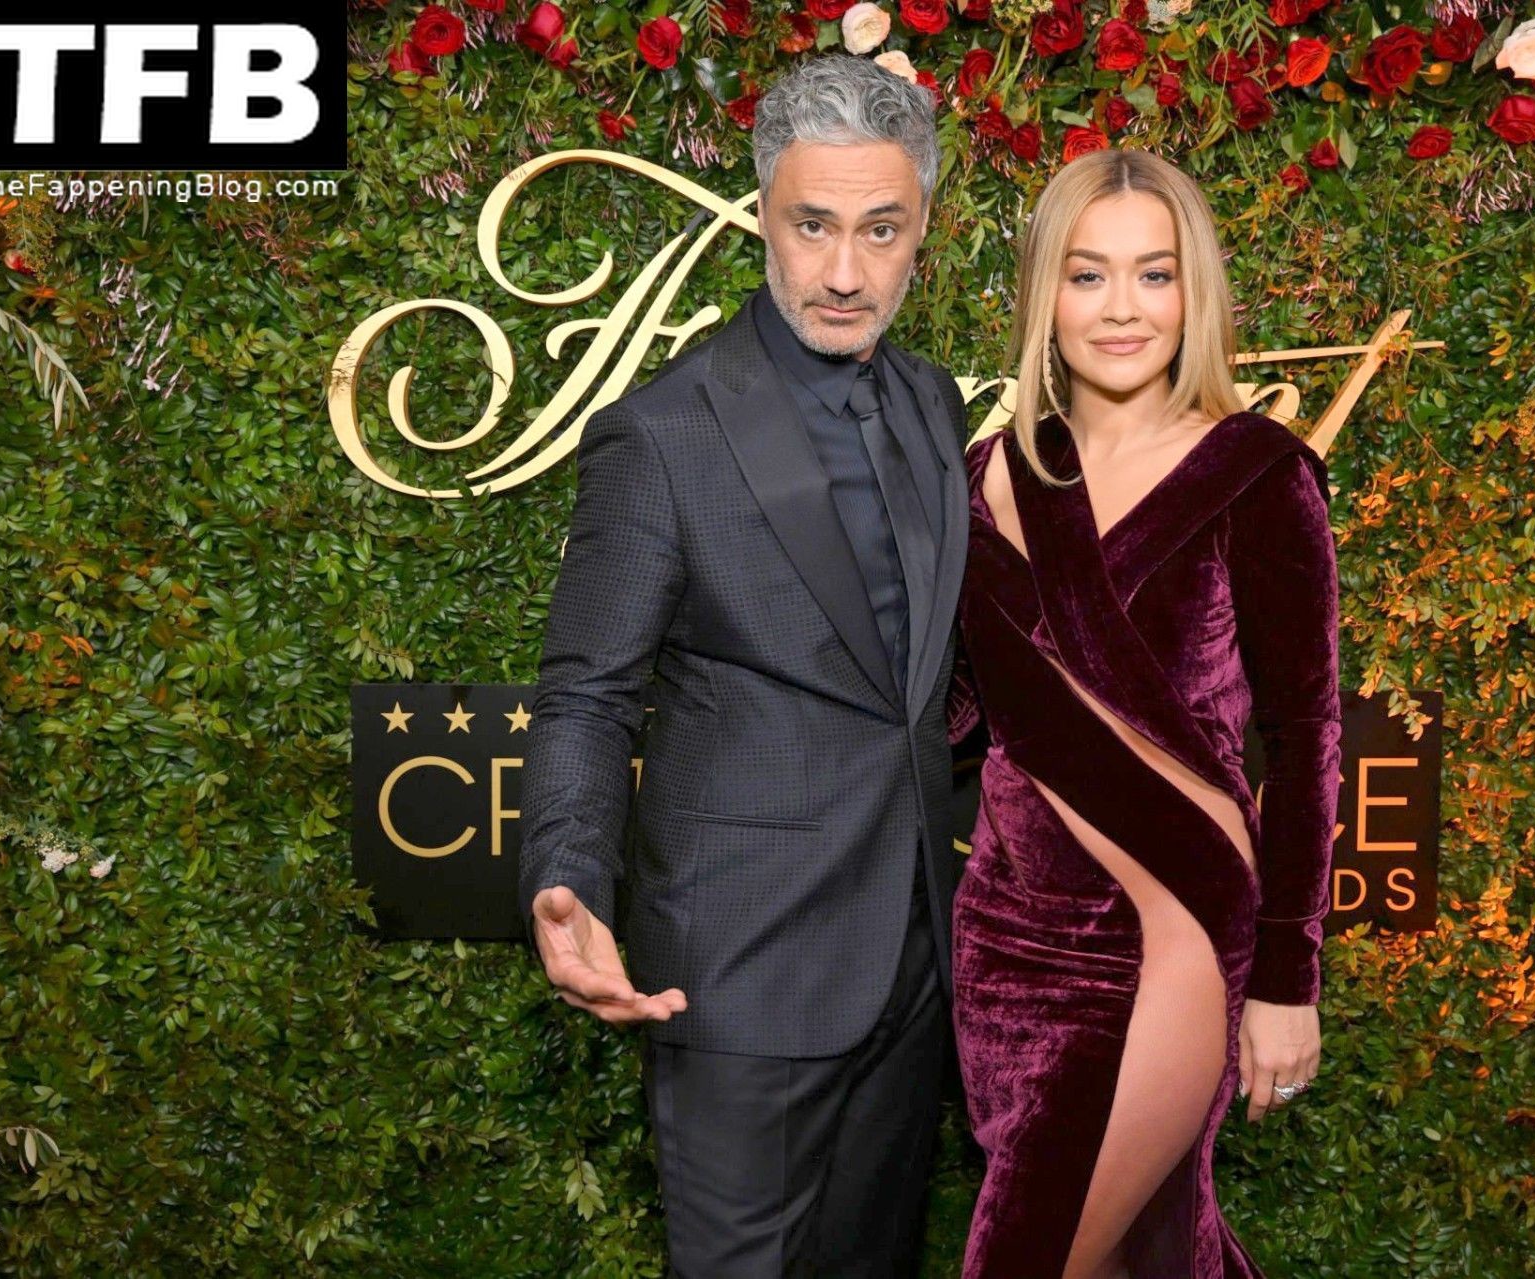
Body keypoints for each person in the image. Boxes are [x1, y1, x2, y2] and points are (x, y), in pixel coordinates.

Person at [515, 55, 970, 1278]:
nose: (844, 271)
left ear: (923, 230)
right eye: (812, 225)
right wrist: (566, 869)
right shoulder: (664, 434)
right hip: (742, 972)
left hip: (915, 967)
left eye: (881, 230)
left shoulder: (934, 405)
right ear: (762, 214)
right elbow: (586, 691)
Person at [948, 147, 1342, 1278]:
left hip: (1176, 934)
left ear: (1193, 291)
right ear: (1045, 293)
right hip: (1004, 942)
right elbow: (958, 714)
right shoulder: (982, 476)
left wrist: (1287, 977)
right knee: (1147, 1255)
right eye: (1088, 275)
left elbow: (1307, 736)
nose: (1121, 307)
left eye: (1154, 274)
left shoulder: (1254, 473)